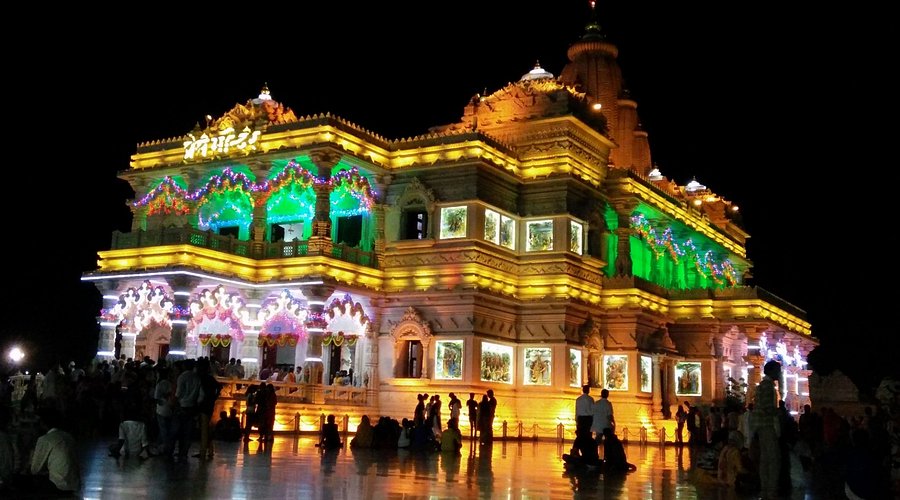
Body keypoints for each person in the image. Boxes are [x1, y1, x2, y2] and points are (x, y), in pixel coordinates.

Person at [30, 408, 81, 495]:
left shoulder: (45, 439)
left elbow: (35, 469)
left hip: (57, 486)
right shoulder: (68, 437)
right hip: (73, 485)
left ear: (42, 424)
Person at [753, 360, 782, 500]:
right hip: (767, 425)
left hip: (761, 425)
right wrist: (778, 412)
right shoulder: (767, 386)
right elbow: (766, 407)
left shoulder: (764, 385)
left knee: (765, 459)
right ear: (771, 371)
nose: (780, 374)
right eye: (778, 370)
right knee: (772, 459)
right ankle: (771, 490)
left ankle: (765, 489)